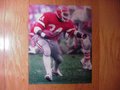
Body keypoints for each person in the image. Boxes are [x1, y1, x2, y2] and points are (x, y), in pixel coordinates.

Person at [29, 6, 83, 81]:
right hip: (39, 36)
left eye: (67, 14)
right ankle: (49, 74)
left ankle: (55, 70)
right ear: (59, 13)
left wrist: (81, 35)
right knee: (47, 51)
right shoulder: (48, 15)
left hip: (52, 40)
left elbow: (73, 31)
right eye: (65, 14)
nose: (67, 16)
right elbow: (36, 28)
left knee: (59, 59)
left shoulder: (67, 22)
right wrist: (44, 35)